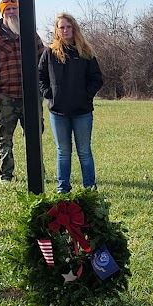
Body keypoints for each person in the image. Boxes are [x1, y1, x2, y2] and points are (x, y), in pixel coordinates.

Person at [0, 0, 44, 183]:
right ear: (2, 13)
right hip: (6, 97)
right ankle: (6, 175)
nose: (11, 12)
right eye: (7, 9)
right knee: (4, 138)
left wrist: (41, 89)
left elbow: (43, 60)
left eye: (14, 9)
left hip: (31, 97)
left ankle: (38, 172)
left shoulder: (30, 33)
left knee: (34, 138)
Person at [38, 13, 104, 193]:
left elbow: (97, 78)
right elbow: (40, 76)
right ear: (57, 30)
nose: (65, 30)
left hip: (82, 112)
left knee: (84, 151)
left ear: (74, 28)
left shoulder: (86, 52)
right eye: (62, 27)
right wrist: (49, 94)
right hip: (58, 112)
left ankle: (90, 188)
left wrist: (86, 95)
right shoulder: (49, 53)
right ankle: (63, 188)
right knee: (63, 152)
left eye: (68, 26)